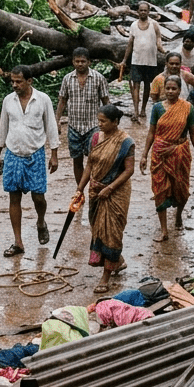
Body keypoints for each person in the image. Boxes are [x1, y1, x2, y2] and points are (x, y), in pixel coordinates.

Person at [0, 65, 59, 258]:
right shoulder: (8, 101)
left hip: (35, 154)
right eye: (12, 81)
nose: (14, 85)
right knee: (14, 197)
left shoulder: (43, 100)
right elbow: (2, 128)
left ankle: (40, 221)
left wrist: (54, 154)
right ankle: (18, 242)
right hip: (13, 154)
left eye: (18, 81)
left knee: (38, 197)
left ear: (29, 81)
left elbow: (51, 126)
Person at [74, 104, 135, 293]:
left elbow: (129, 170)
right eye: (98, 120)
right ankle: (118, 260)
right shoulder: (95, 138)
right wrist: (80, 189)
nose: (99, 124)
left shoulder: (126, 142)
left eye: (103, 121)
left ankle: (105, 278)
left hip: (116, 193)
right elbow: (90, 166)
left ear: (115, 122)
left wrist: (110, 188)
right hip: (96, 192)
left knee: (112, 233)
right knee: (98, 228)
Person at [141, 80, 194, 242]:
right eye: (167, 88)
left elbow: (193, 133)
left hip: (180, 152)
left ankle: (178, 215)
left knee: (181, 187)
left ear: (179, 90)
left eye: (173, 89)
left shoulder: (187, 108)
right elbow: (151, 132)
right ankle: (164, 230)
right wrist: (144, 154)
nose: (170, 91)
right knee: (160, 189)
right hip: (160, 152)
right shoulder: (157, 108)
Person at [56, 47, 110, 184]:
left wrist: (110, 123)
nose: (80, 64)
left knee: (96, 159)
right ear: (73, 62)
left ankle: (94, 186)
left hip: (93, 126)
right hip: (74, 126)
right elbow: (62, 100)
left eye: (83, 61)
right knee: (77, 159)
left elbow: (105, 101)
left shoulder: (99, 78)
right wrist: (56, 121)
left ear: (89, 62)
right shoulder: (67, 79)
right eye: (77, 61)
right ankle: (80, 191)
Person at [119, 2, 162, 117]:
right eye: (141, 10)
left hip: (150, 61)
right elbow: (130, 44)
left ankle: (143, 109)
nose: (143, 12)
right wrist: (124, 60)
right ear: (137, 11)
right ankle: (136, 111)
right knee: (136, 85)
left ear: (148, 12)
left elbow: (159, 39)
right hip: (136, 60)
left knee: (147, 85)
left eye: (145, 10)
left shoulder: (154, 24)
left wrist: (162, 49)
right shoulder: (133, 25)